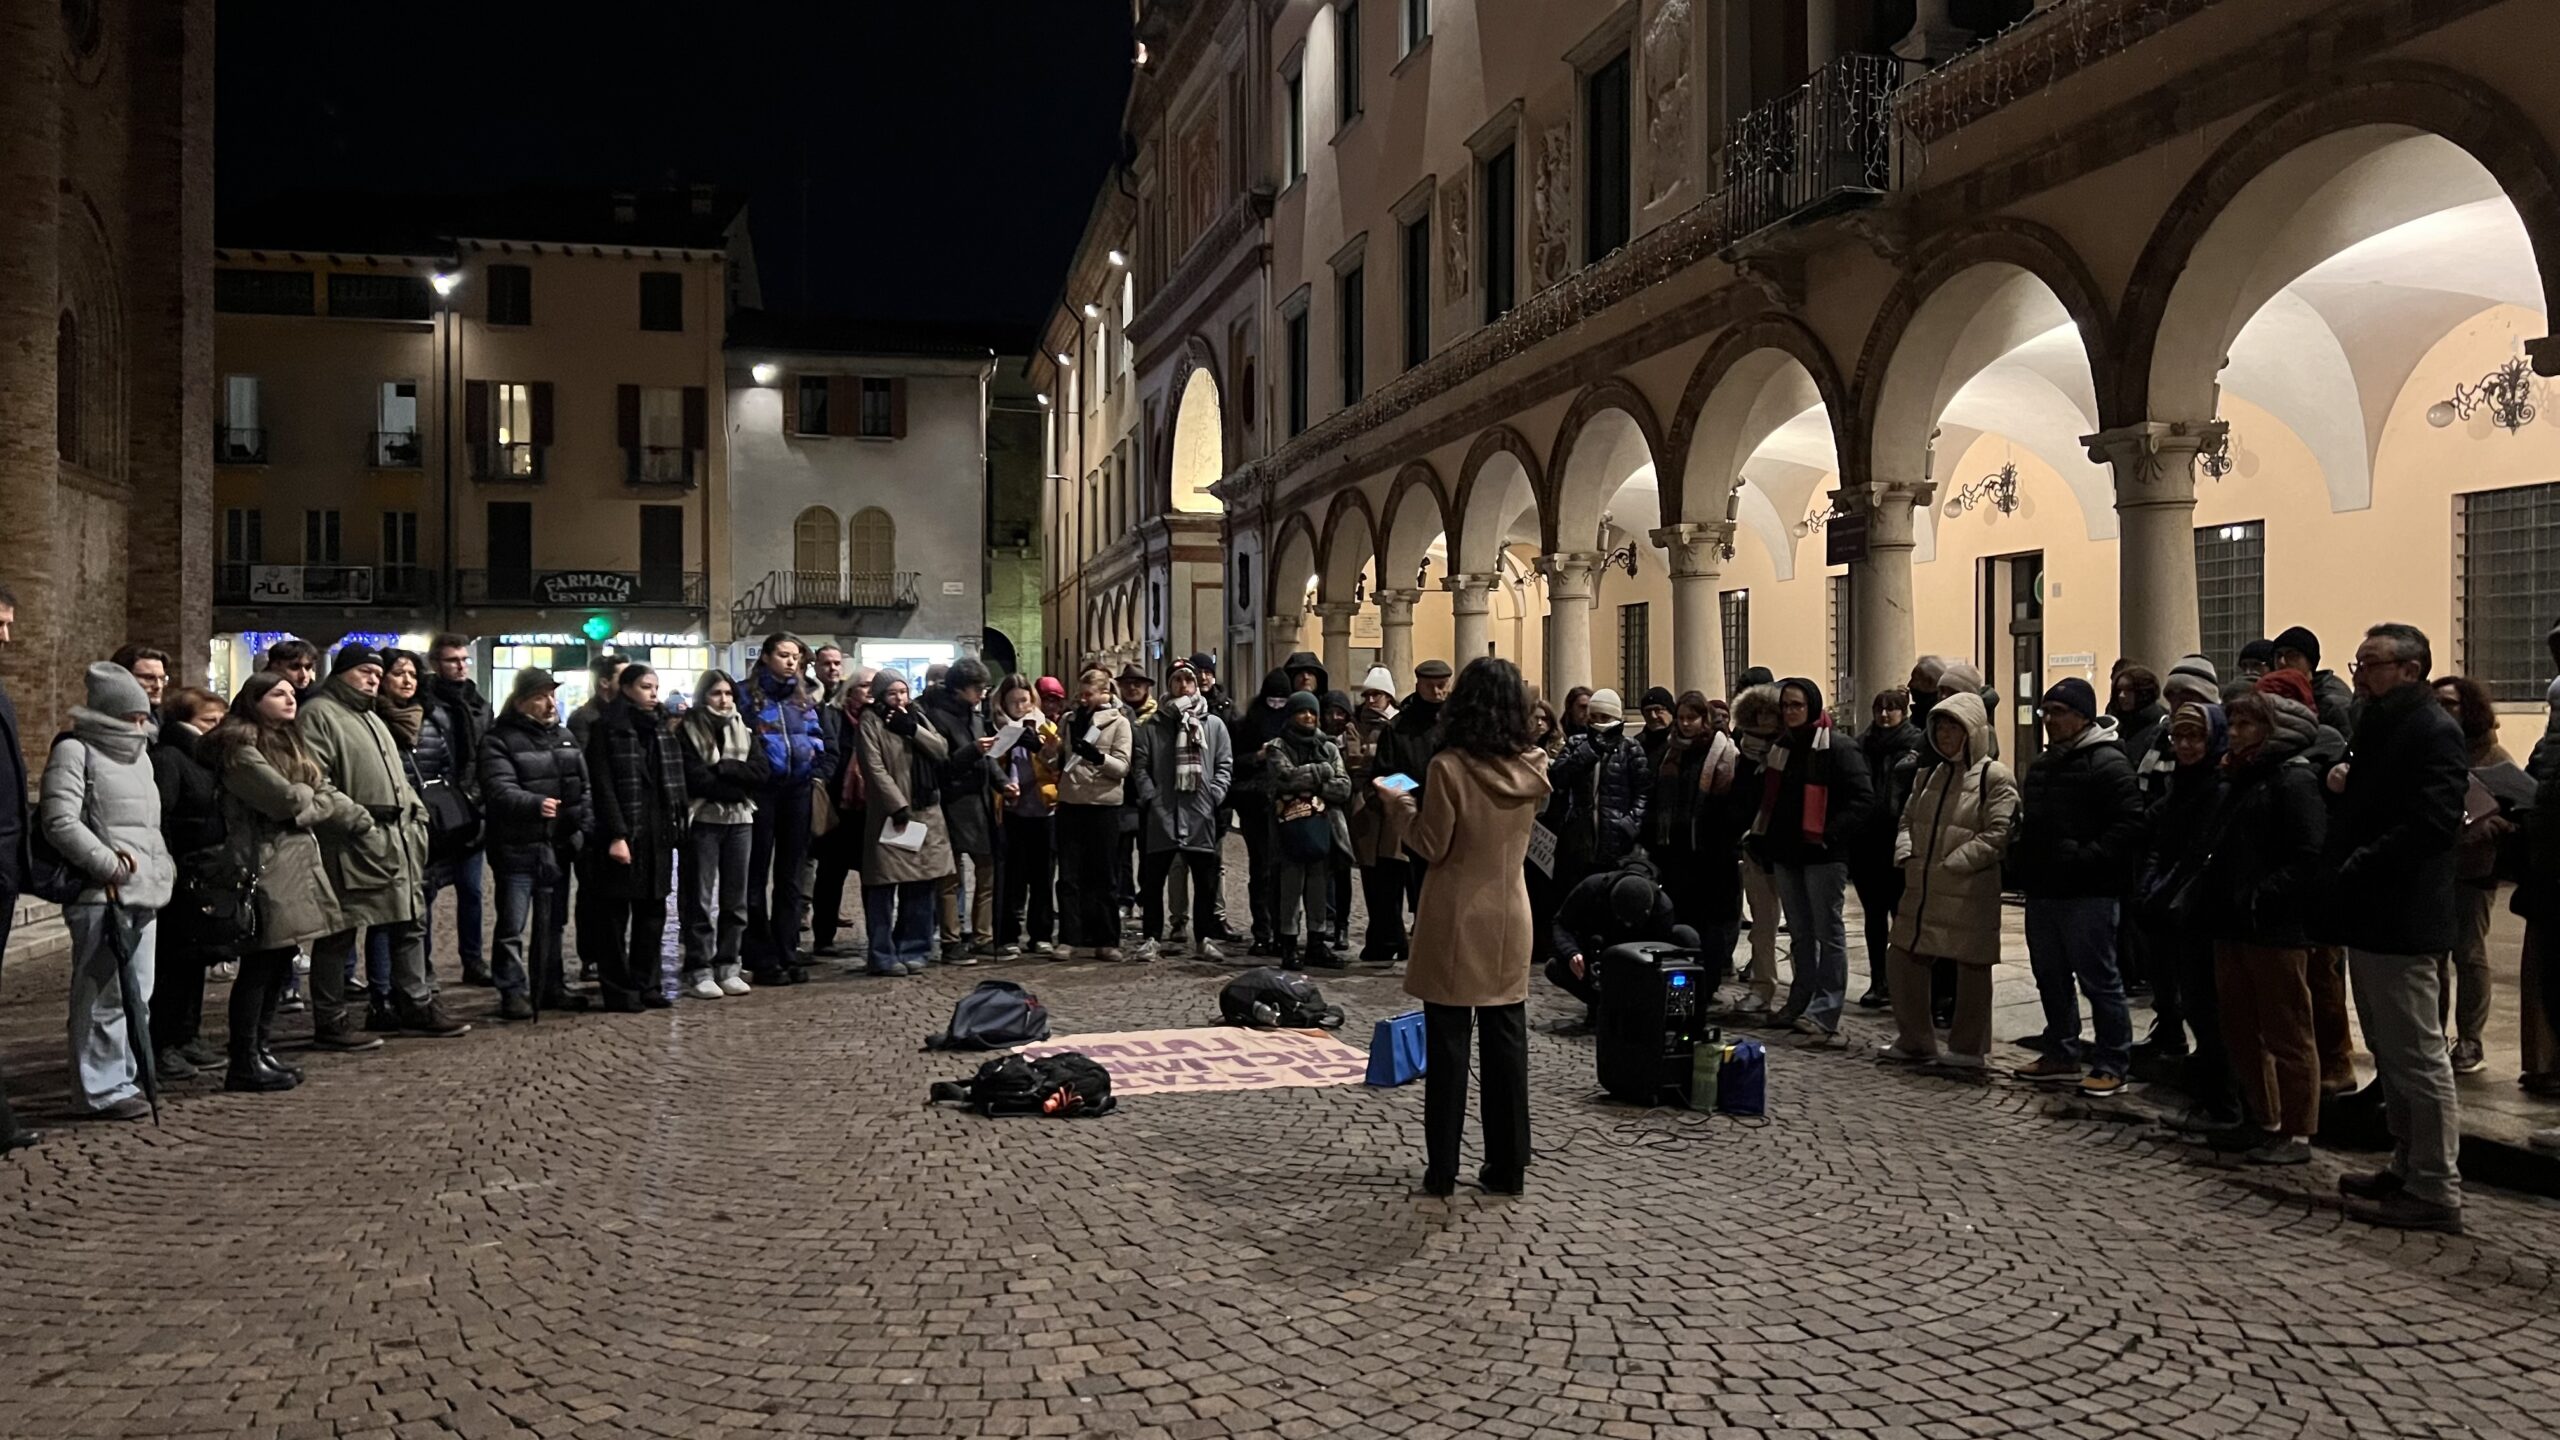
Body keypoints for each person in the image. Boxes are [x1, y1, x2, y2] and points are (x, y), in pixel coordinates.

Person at [2323, 623, 2469, 1234]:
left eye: (2372, 664)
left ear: (2411, 669)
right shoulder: (2379, 723)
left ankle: (2436, 1185)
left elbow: (2432, 822)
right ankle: (2405, 1162)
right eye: (2357, 663)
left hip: (2405, 910)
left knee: (2416, 1053)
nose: (2360, 674)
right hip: (2372, 909)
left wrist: (2363, 859)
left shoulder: (2432, 728)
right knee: (2388, 1047)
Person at [1389, 656, 1551, 1197]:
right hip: (1510, 910)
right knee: (1507, 1046)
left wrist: (1400, 805)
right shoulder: (1534, 766)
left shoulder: (1449, 767)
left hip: (1456, 913)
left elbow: (1433, 844)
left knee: (1450, 1048)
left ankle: (1442, 1168)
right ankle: (1509, 1165)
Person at [206, 672, 375, 1090]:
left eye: (291, 693)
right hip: (263, 865)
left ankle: (261, 1051)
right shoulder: (240, 750)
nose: (290, 698)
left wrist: (307, 796)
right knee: (260, 967)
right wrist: (307, 797)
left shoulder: (289, 743)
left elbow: (311, 791)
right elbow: (285, 801)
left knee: (280, 961)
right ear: (254, 700)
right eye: (278, 693)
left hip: (293, 864)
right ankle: (243, 1060)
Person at [2191, 681, 2330, 1166]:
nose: (2234, 733)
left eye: (2246, 724)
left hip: (2275, 926)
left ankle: (2297, 1132)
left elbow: (2309, 855)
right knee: (2241, 1027)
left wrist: (2261, 895)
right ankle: (2261, 1117)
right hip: (2233, 922)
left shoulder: (2294, 781)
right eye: (2232, 723)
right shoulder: (2239, 778)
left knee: (2287, 1029)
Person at [301, 644, 467, 1043]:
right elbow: (314, 779)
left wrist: (416, 814)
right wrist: (357, 820)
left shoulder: (371, 715)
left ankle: (416, 1002)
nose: (374, 678)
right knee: (339, 929)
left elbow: (398, 775)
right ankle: (332, 1018)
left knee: (411, 921)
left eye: (377, 672)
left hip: (399, 838)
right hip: (353, 840)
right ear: (341, 673)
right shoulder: (320, 714)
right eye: (364, 672)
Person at [38, 663, 177, 1119]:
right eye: (134, 714)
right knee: (101, 995)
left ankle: (124, 1077)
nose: (143, 722)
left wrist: (161, 869)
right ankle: (97, 1088)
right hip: (102, 895)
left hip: (143, 892)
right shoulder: (75, 751)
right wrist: (107, 865)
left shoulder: (140, 757)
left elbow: (148, 826)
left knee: (139, 991)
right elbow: (60, 821)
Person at [2008, 676, 2143, 1096]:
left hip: (2090, 891)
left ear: (2083, 717)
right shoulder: (2044, 765)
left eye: (2059, 712)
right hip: (2045, 888)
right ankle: (2061, 1051)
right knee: (2049, 975)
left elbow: (2129, 826)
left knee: (2099, 979)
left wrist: (2086, 857)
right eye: (2046, 712)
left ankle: (2112, 1061)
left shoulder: (2108, 763)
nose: (2049, 720)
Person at [1881, 692, 2017, 1071]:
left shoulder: (1994, 776)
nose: (1944, 735)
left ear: (1971, 731)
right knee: (1903, 956)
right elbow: (1908, 819)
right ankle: (1915, 1040)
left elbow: (1998, 833)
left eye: (1952, 727)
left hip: (1966, 888)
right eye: (1939, 727)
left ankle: (1968, 1047)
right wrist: (1907, 852)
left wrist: (1954, 862)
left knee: (1972, 968)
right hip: (1922, 886)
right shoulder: (1929, 774)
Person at [2136, 701, 2242, 1132]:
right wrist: (2149, 885)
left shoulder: (2218, 788)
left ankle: (2225, 1106)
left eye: (2194, 737)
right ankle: (2209, 1100)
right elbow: (2159, 837)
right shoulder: (2178, 784)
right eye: (2179, 737)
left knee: (2209, 1011)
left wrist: (2163, 890)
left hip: (2197, 910)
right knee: (2189, 1003)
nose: (2185, 746)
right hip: (2169, 906)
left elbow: (2201, 850)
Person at [1749, 678, 1873, 1043]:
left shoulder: (1837, 747)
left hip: (1823, 856)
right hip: (1788, 855)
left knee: (1828, 933)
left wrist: (1829, 834)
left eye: (1796, 706)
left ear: (1813, 707)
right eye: (1785, 706)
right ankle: (1799, 1001)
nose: (1789, 712)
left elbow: (1862, 800)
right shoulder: (1782, 748)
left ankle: (1825, 1010)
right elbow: (1772, 801)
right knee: (1800, 934)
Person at [478, 667, 591, 1018]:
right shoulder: (499, 739)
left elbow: (583, 788)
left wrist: (580, 829)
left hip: (558, 845)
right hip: (517, 845)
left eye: (551, 695)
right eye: (540, 696)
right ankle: (512, 989)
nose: (549, 703)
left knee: (554, 922)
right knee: (513, 923)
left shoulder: (565, 736)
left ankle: (550, 984)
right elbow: (498, 788)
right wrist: (533, 804)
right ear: (522, 701)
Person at [2434, 674, 2525, 1076]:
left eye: (2450, 704)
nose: (2441, 711)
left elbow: (2517, 810)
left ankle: (2470, 1037)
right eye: (2435, 703)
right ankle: (2434, 1035)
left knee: (2468, 952)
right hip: (2436, 864)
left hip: (2475, 867)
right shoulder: (2433, 749)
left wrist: (2493, 825)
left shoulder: (2492, 755)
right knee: (2433, 956)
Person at [583, 663, 686, 1012]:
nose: (653, 693)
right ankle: (618, 990)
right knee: (613, 916)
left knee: (653, 912)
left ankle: (648, 984)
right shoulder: (606, 729)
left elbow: (670, 781)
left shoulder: (662, 729)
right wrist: (616, 834)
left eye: (656, 686)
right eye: (645, 686)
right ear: (626, 688)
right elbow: (602, 784)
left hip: (657, 830)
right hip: (624, 830)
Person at [147, 685, 230, 1080]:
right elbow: (161, 815)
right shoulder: (169, 758)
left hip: (206, 871)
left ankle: (188, 1035)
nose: (216, 729)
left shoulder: (207, 759)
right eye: (207, 722)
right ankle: (164, 1044)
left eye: (220, 721)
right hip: (180, 871)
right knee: (172, 963)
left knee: (195, 960)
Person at [856, 669, 958, 976]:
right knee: (883, 887)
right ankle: (881, 952)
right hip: (893, 816)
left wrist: (913, 729)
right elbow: (873, 767)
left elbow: (941, 750)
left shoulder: (917, 716)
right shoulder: (870, 721)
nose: (899, 698)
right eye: (892, 694)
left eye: (903, 692)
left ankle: (914, 947)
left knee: (921, 885)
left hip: (926, 812)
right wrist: (896, 804)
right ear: (880, 696)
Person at [743, 633, 830, 985]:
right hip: (762, 791)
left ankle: (787, 948)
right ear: (766, 657)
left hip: (797, 789)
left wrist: (817, 770)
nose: (791, 662)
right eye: (783, 655)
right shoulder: (745, 694)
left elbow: (817, 736)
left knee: (791, 876)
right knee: (756, 874)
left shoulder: (803, 696)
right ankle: (760, 955)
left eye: (796, 656)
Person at [1132, 658, 1233, 961]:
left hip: (1199, 813)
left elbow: (1224, 764)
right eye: (1177, 680)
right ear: (1169, 685)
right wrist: (1150, 796)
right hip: (1163, 813)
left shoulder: (1212, 725)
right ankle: (1152, 936)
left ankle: (1203, 938)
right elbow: (1140, 766)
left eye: (1188, 680)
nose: (1183, 686)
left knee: (1205, 881)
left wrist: (1214, 794)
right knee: (1153, 882)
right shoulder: (1153, 726)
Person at [1646, 691, 1750, 975]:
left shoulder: (1723, 751)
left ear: (1704, 719)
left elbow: (1732, 803)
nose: (1685, 724)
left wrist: (1722, 838)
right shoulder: (1670, 752)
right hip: (1677, 851)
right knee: (1683, 917)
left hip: (1713, 852)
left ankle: (1712, 974)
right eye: (1681, 718)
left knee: (1714, 921)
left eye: (1691, 718)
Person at [675, 671, 765, 999]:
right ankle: (699, 967)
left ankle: (729, 964)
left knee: (735, 899)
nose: (724, 699)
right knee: (698, 898)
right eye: (716, 693)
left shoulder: (744, 729)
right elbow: (694, 777)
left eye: (728, 693)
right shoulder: (687, 730)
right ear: (703, 696)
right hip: (703, 820)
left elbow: (760, 771)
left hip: (741, 820)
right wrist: (734, 784)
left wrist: (725, 769)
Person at [1544, 853, 1695, 1021]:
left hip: (1639, 962)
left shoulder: (1662, 908)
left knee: (1686, 937)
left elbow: (1660, 953)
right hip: (1599, 954)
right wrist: (1572, 953)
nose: (1627, 926)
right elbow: (1561, 923)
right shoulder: (1592, 889)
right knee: (1555, 966)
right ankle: (1600, 1004)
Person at [1263, 690, 1353, 969]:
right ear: (1291, 715)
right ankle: (1289, 946)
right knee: (1290, 888)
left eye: (1313, 712)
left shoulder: (1328, 747)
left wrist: (1315, 784)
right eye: (1303, 711)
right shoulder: (1277, 747)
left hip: (1322, 829)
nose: (1309, 717)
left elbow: (1344, 787)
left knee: (1318, 889)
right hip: (1289, 829)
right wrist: (1321, 773)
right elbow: (1285, 778)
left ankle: (1316, 944)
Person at [920, 658, 1000, 962]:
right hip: (952, 804)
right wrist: (973, 750)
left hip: (980, 804)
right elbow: (941, 765)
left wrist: (1004, 784)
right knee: (950, 877)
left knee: (987, 872)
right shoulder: (937, 717)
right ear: (959, 689)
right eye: (977, 688)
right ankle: (951, 940)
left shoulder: (976, 717)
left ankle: (983, 935)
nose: (982, 694)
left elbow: (988, 759)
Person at [1054, 667, 1135, 962]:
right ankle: (1068, 938)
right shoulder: (1069, 720)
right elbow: (1058, 758)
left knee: (1104, 876)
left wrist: (1097, 757)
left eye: (1089, 694)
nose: (1083, 698)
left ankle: (1107, 938)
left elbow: (1123, 767)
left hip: (1103, 805)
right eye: (1081, 693)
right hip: (1071, 803)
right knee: (1069, 876)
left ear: (1105, 694)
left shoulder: (1119, 723)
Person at [426, 635, 492, 988]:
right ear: (436, 663)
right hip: (437, 807)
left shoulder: (478, 704)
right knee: (426, 892)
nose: (461, 666)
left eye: (464, 659)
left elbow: (485, 755)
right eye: (453, 660)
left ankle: (473, 960)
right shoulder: (425, 703)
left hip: (470, 808)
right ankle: (423, 966)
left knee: (472, 890)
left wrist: (476, 796)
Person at [1850, 689, 1922, 1008]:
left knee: (1901, 915)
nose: (1884, 714)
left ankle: (1904, 982)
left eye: (1892, 708)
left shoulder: (1915, 745)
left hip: (1897, 838)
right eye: (1879, 708)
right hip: (1867, 842)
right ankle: (1878, 980)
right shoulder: (1862, 745)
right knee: (1873, 916)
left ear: (1904, 711)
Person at [1548, 689, 1648, 891]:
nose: (1598, 722)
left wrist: (1629, 823)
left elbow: (1643, 791)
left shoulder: (1630, 748)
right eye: (1594, 717)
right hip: (1579, 839)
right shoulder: (1577, 743)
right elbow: (1558, 778)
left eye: (1604, 717)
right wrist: (1589, 750)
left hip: (1615, 838)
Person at [1726, 684, 1787, 1016]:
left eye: (1770, 713)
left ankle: (1804, 996)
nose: (1764, 719)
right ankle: (1762, 987)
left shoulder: (1791, 750)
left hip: (1791, 849)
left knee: (1807, 931)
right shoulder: (1745, 755)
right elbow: (1740, 800)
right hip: (1756, 846)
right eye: (1758, 713)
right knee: (1763, 926)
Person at [994, 675, 1061, 958]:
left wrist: (1042, 748)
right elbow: (991, 763)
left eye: (1024, 700)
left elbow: (1058, 764)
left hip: (1043, 809)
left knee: (1043, 877)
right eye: (1014, 702)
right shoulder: (998, 729)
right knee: (1013, 878)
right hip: (1011, 811)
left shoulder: (1046, 726)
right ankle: (1008, 934)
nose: (1020, 706)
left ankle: (1041, 933)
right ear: (1004, 704)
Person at [1347, 667, 1407, 964]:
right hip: (1367, 811)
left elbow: (1407, 768)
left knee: (1394, 879)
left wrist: (1376, 769)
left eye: (1378, 694)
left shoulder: (1401, 725)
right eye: (1368, 694)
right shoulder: (1354, 725)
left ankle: (1391, 937)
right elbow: (1352, 761)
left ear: (1389, 696)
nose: (1372, 699)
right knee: (1373, 881)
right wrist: (1375, 765)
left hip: (1395, 809)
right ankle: (1384, 938)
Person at [1113, 664, 1158, 919]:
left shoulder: (1157, 717)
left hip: (1149, 793)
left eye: (1137, 683)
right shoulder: (1114, 715)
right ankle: (1125, 898)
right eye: (1127, 683)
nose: (1132, 687)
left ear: (1147, 687)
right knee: (1122, 853)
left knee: (1149, 852)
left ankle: (1146, 898)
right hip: (1122, 792)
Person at [2271, 625, 2356, 736]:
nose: (2282, 662)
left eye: (2292, 655)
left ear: (2310, 661)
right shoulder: (2276, 695)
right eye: (2278, 656)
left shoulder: (2333, 702)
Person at [110, 644, 171, 716]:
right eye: (149, 678)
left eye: (162, 678)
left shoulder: (163, 719)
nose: (158, 686)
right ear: (122, 678)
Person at [1635, 686, 1677, 767]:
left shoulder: (1682, 742)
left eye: (1658, 710)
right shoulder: (1636, 745)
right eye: (1648, 711)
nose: (1653, 716)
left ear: (1670, 711)